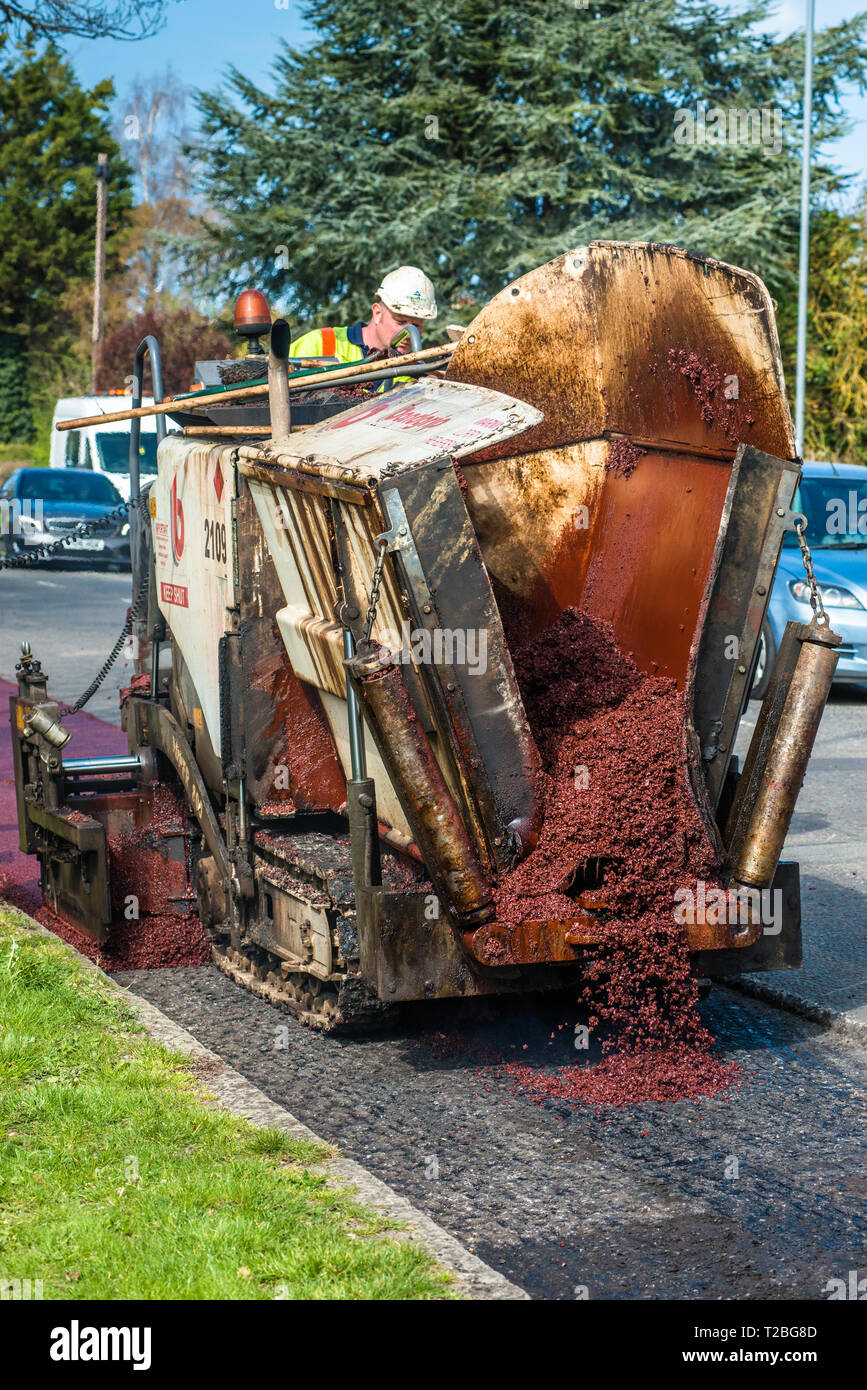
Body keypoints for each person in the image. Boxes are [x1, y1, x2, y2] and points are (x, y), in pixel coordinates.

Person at [289, 266, 437, 364]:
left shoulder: (415, 371)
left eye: (416, 325)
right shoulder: (320, 344)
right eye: (400, 321)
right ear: (377, 313)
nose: (409, 334)